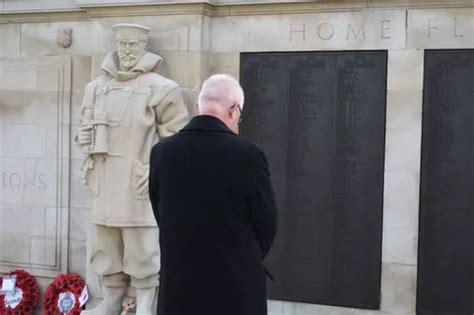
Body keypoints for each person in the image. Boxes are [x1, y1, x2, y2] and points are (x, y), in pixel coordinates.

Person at [75, 23, 189, 314]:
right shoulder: (96, 88)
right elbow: (82, 129)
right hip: (103, 179)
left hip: (138, 180)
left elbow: (177, 137)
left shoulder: (162, 88)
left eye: (133, 45)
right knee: (106, 242)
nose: (127, 51)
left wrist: (155, 169)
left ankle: (146, 304)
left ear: (144, 48)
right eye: (123, 44)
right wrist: (84, 138)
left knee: (141, 244)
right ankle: (111, 300)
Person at [148, 74, 278, 315]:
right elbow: (267, 223)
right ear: (234, 110)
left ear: (198, 107)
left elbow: (160, 213)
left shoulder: (161, 153)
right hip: (235, 290)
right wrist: (239, 256)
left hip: (178, 288)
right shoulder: (248, 155)